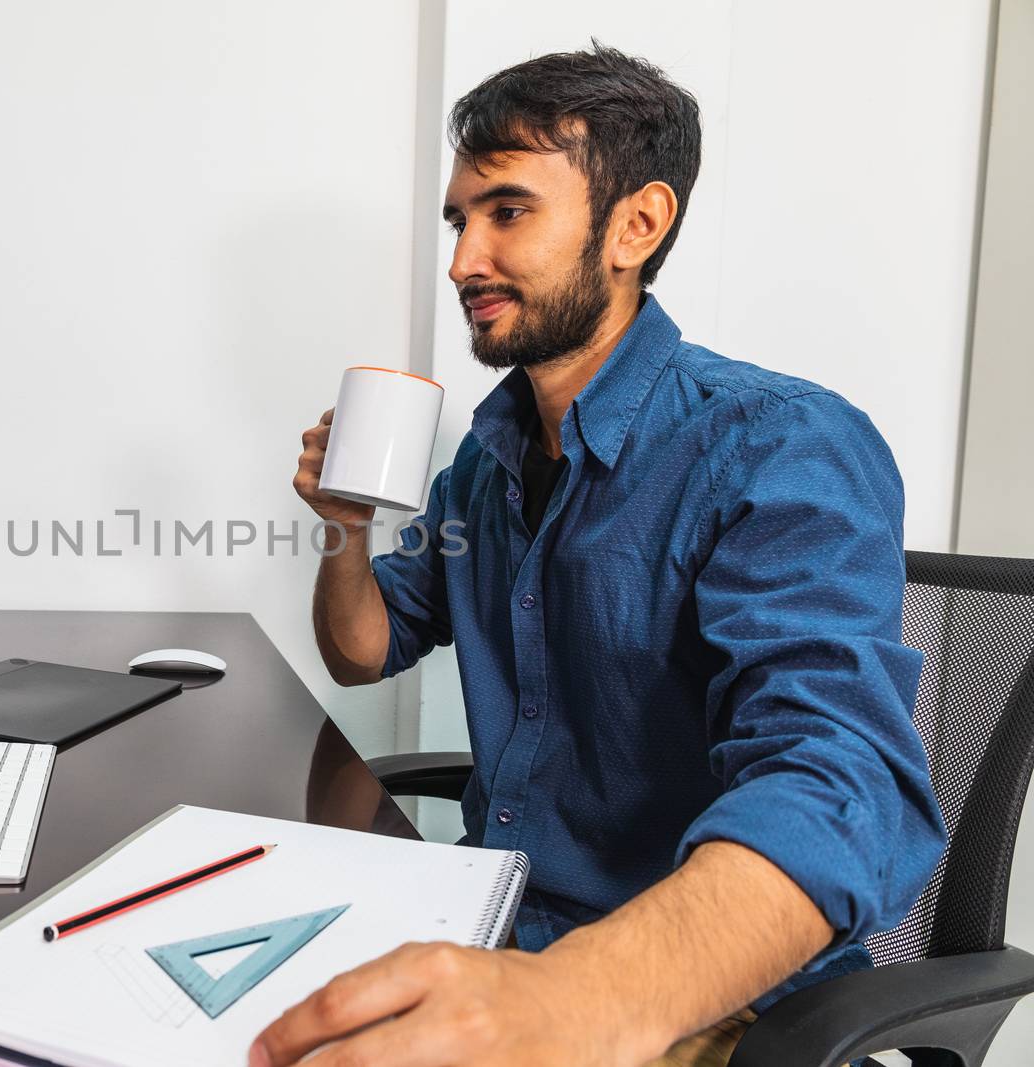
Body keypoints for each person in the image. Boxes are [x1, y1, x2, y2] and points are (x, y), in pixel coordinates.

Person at [264, 44, 945, 1067]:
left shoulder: (778, 444)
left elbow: (837, 781)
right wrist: (344, 528)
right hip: (493, 924)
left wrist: (579, 995)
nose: (461, 262)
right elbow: (366, 646)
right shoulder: (486, 465)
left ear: (636, 224)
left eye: (507, 211)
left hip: (686, 995)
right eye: (459, 221)